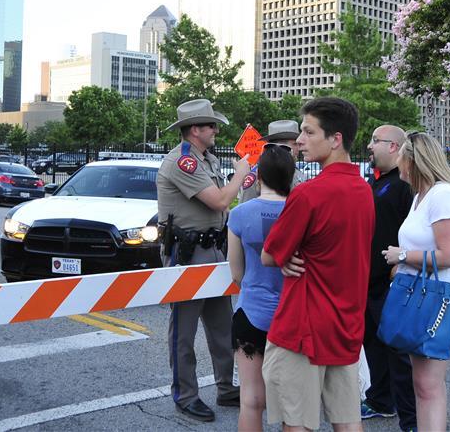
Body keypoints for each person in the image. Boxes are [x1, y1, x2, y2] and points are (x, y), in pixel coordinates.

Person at [261, 97, 374, 432]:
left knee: (297, 422)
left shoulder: (309, 194)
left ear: (335, 139)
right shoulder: (363, 190)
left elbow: (270, 254)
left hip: (303, 326)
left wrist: (285, 259)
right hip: (346, 325)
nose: (299, 140)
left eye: (309, 132)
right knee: (348, 419)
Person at [156, 98, 252, 422]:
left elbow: (225, 206)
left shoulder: (206, 159)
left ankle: (226, 388)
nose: (216, 130)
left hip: (213, 250)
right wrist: (241, 173)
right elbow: (221, 200)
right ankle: (186, 394)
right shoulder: (182, 162)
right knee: (184, 330)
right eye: (211, 125)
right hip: (188, 253)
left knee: (222, 326)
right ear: (195, 129)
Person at [382, 132, 450, 432]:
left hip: (438, 300)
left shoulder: (444, 195)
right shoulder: (422, 196)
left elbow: (449, 255)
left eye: (401, 157)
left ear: (412, 160)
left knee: (428, 385)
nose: (397, 164)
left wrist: (403, 256)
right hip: (422, 298)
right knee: (422, 384)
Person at [227, 143, 297, 431]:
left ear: (258, 178)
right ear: (290, 178)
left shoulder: (241, 214)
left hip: (251, 313)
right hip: (293, 314)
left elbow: (236, 272)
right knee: (290, 402)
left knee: (251, 400)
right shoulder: (302, 212)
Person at [360, 125, 417, 429]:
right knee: (373, 343)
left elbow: (417, 230)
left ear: (394, 147)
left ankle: (411, 416)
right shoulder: (375, 181)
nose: (369, 146)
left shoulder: (404, 185)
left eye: (375, 140)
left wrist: (402, 263)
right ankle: (380, 399)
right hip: (368, 281)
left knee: (398, 351)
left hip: (393, 281)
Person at [238, 120, 306, 204]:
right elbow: (245, 208)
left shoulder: (297, 171)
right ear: (280, 146)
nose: (299, 149)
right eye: (295, 144)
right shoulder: (257, 174)